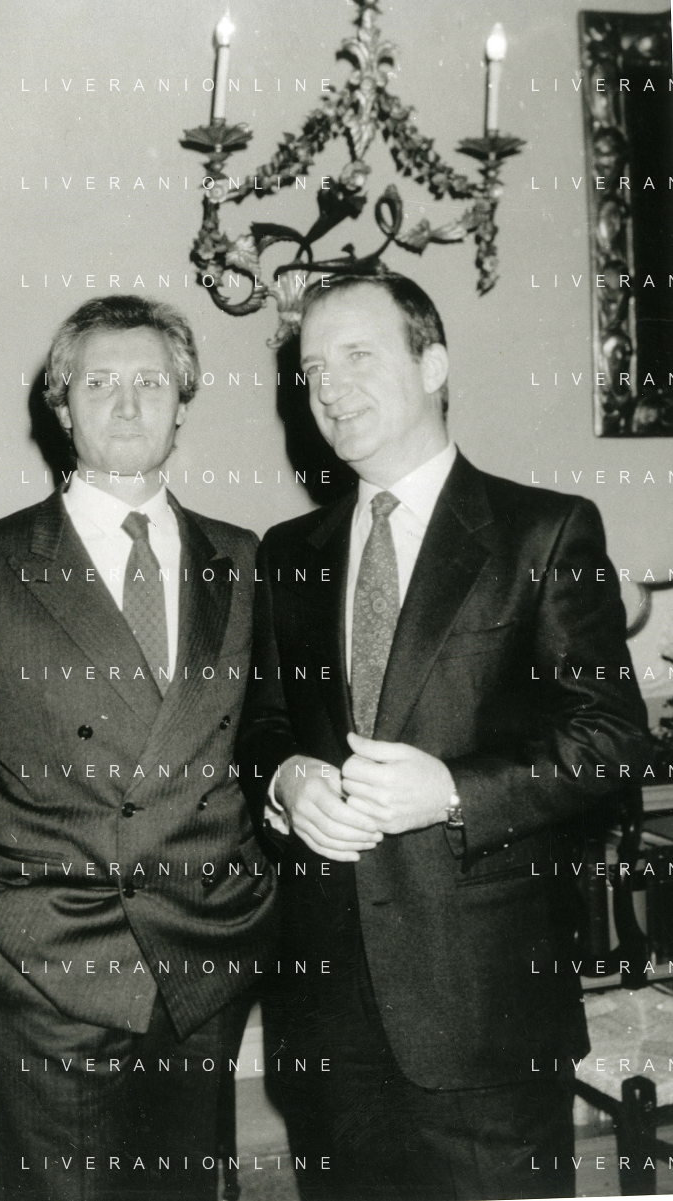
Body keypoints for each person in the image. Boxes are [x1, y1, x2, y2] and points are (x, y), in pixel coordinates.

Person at [237, 271, 649, 1200]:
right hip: (328, 1020)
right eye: (311, 369)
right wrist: (286, 778)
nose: (328, 386)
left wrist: (455, 792)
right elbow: (262, 726)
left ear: (432, 364)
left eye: (356, 355)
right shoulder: (287, 554)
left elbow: (611, 736)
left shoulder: (544, 530)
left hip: (488, 1016)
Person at [0, 294, 276, 1201]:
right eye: (100, 383)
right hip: (50, 967)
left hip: (204, 963)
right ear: (61, 407)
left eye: (151, 382)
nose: (128, 404)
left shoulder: (244, 560)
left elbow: (268, 746)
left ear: (183, 403)